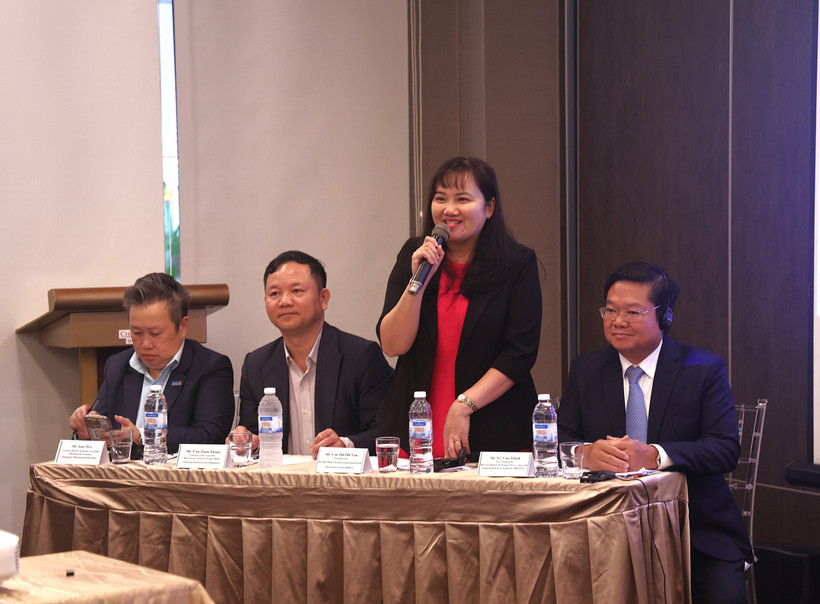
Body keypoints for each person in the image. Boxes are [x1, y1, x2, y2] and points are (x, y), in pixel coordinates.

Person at [557, 261, 752, 603]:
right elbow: (561, 440)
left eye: (632, 312)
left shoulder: (703, 368)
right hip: (603, 531)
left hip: (696, 531)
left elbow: (725, 449)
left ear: (665, 317)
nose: (617, 321)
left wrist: (655, 455)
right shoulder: (585, 370)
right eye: (610, 310)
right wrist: (583, 453)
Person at [377, 156, 542, 458]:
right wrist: (419, 283)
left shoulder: (516, 263)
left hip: (493, 425)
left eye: (462, 199)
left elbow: (520, 353)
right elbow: (392, 344)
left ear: (489, 207)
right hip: (415, 427)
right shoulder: (414, 255)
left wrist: (464, 405)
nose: (449, 209)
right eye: (440, 199)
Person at [234, 250, 393, 457]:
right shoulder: (255, 365)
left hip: (343, 485)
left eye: (297, 291)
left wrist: (345, 446)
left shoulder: (362, 357)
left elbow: (387, 432)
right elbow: (252, 434)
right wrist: (245, 440)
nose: (284, 301)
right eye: (274, 294)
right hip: (279, 487)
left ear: (323, 298)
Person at [69, 272, 235, 453]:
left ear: (182, 327)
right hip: (122, 475)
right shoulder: (117, 365)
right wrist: (87, 432)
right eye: (137, 333)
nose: (145, 344)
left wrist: (142, 436)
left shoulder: (210, 367)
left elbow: (209, 436)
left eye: (155, 333)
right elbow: (103, 427)